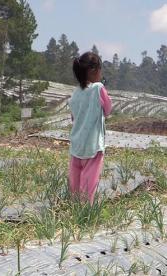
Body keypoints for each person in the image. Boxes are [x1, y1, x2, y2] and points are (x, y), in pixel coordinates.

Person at [69, 52, 112, 204]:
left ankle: (73, 208)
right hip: (93, 146)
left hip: (76, 146)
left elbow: (74, 117)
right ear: (94, 71)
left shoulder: (75, 93)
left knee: (75, 183)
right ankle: (85, 214)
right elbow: (107, 110)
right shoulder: (98, 88)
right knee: (88, 186)